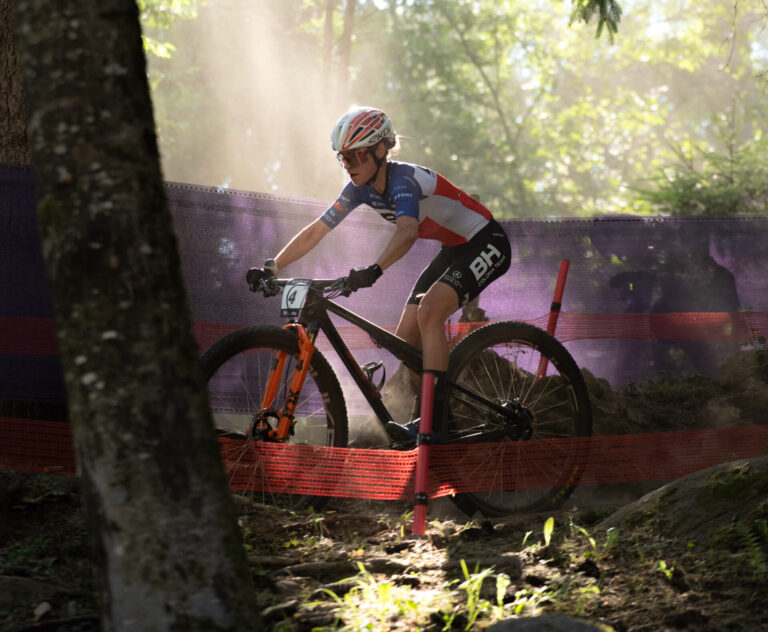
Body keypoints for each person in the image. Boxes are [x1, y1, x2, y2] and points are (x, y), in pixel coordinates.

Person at [247, 106, 511, 441]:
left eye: (356, 157)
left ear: (380, 150)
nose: (349, 166)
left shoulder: (404, 180)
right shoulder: (359, 189)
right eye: (343, 159)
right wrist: (273, 265)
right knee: (405, 342)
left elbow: (407, 232)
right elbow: (317, 230)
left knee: (430, 313)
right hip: (455, 248)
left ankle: (435, 416)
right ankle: (442, 418)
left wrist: (375, 269)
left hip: (487, 240)